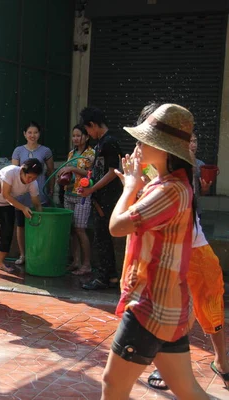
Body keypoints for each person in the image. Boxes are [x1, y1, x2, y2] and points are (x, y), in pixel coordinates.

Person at [101, 103, 207, 399]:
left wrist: (129, 187)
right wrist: (137, 181)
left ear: (164, 149)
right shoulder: (169, 184)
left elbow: (117, 226)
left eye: (143, 141)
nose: (137, 146)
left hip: (151, 306)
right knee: (188, 390)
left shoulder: (168, 190)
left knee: (112, 384)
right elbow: (148, 190)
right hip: (168, 306)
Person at [132, 103, 229, 391]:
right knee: (170, 308)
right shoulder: (146, 164)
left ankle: (222, 361)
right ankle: (167, 367)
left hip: (195, 246)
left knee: (211, 300)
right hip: (164, 249)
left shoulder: (186, 165)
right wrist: (133, 182)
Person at [77, 107, 123, 290]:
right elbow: (99, 171)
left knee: (102, 237)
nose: (88, 133)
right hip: (99, 198)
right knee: (101, 237)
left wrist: (92, 189)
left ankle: (104, 277)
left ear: (93, 125)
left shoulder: (109, 142)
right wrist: (87, 184)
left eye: (87, 129)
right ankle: (110, 276)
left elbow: (113, 172)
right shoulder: (101, 143)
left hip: (107, 199)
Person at [0, 159, 43, 273]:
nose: (30, 180)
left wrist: (41, 217)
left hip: (7, 204)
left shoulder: (33, 184)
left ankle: (0, 263)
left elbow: (36, 203)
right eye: (29, 177)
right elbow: (6, 194)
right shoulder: (10, 172)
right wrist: (23, 208)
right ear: (22, 170)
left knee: (7, 232)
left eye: (34, 178)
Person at [11, 121, 54, 266]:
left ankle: (39, 254)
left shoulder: (46, 151)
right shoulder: (18, 150)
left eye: (35, 132)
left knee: (39, 224)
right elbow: (14, 172)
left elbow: (50, 171)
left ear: (39, 134)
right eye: (29, 132)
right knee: (21, 226)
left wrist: (51, 189)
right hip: (21, 196)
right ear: (24, 134)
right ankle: (23, 255)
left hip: (39, 194)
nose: (32, 135)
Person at [58, 125, 95, 276]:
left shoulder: (91, 154)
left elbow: (91, 174)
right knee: (72, 230)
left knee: (80, 229)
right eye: (74, 135)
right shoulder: (71, 153)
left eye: (79, 135)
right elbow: (67, 169)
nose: (75, 138)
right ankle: (76, 261)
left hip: (82, 196)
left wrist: (73, 170)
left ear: (86, 137)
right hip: (69, 193)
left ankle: (87, 264)